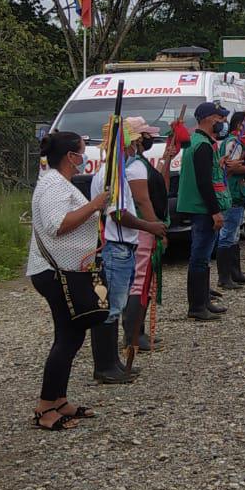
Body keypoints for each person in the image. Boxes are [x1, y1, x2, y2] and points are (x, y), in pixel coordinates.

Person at [26, 131, 111, 431]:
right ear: (70, 157)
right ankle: (45, 406)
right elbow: (57, 225)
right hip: (54, 272)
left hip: (66, 270)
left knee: (72, 336)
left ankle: (59, 399)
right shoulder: (53, 184)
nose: (84, 157)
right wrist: (95, 205)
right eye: (81, 152)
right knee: (67, 338)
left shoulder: (59, 182)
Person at [90, 117, 163, 384]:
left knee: (115, 305)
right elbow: (118, 214)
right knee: (110, 308)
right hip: (116, 247)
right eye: (133, 142)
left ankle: (113, 363)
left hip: (123, 246)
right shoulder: (113, 175)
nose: (136, 146)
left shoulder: (116, 171)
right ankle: (105, 366)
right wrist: (149, 226)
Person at [173, 102, 229, 322]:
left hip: (198, 206)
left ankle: (204, 300)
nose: (223, 122)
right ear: (207, 119)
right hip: (202, 208)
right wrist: (215, 211)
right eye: (219, 118)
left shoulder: (195, 141)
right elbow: (204, 182)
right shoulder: (203, 145)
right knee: (200, 257)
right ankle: (197, 306)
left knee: (203, 257)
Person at [122, 120, 170, 353]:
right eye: (146, 135)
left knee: (146, 281)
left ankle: (137, 331)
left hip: (145, 228)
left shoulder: (138, 164)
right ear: (138, 139)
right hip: (143, 230)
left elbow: (159, 188)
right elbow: (142, 200)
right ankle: (133, 334)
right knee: (140, 281)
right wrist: (155, 227)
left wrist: (168, 159)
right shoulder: (136, 167)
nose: (151, 139)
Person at [216, 112, 245, 287]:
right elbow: (232, 168)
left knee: (234, 235)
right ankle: (224, 277)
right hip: (232, 194)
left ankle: (235, 272)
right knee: (228, 235)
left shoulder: (236, 143)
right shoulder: (233, 143)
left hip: (237, 194)